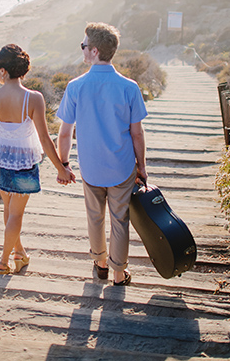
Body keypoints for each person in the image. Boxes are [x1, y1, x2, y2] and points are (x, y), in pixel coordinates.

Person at [57, 22, 148, 286]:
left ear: (95, 51)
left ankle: (100, 263)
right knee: (120, 220)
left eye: (84, 46)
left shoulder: (76, 87)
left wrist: (64, 163)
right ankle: (119, 274)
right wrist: (141, 166)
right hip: (121, 167)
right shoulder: (129, 87)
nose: (82, 50)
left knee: (94, 217)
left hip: (91, 168)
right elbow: (137, 134)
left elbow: (65, 133)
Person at [0, 44, 75, 275]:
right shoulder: (34, 98)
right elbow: (44, 138)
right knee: (15, 213)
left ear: (3, 71)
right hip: (23, 163)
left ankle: (19, 253)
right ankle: (4, 261)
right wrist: (61, 168)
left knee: (9, 209)